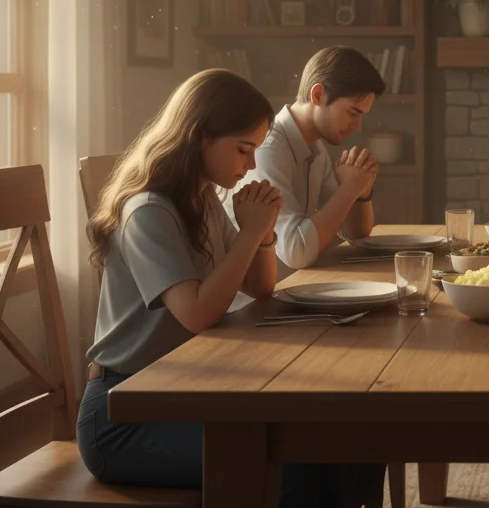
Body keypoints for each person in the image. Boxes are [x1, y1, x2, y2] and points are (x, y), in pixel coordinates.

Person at [78, 69, 383, 506]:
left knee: (344, 440)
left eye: (256, 150)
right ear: (200, 136)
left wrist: (261, 234)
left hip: (188, 387)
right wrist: (249, 233)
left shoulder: (200, 199)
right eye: (244, 150)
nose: (248, 165)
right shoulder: (148, 210)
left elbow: (260, 287)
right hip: (124, 414)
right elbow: (198, 314)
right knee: (296, 466)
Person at [244, 46, 384, 273]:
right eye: (353, 112)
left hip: (295, 289)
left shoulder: (315, 146)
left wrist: (362, 191)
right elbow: (295, 252)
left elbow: (354, 234)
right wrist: (350, 187)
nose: (358, 127)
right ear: (318, 95)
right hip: (256, 303)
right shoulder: (267, 151)